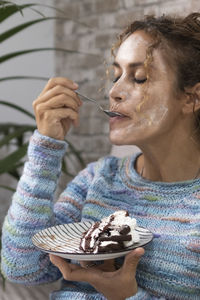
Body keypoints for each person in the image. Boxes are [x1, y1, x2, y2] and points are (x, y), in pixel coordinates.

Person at [1, 12, 200, 300]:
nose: (114, 91)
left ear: (192, 98)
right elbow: (23, 267)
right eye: (117, 75)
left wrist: (127, 296)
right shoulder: (99, 178)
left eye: (140, 78)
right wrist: (46, 146)